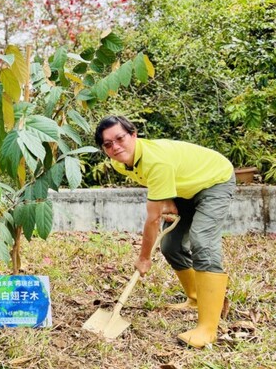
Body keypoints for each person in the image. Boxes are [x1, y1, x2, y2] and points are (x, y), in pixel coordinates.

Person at [94, 115, 235, 348]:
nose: (115, 147)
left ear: (134, 134)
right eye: (108, 144)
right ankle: (196, 298)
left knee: (202, 242)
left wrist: (144, 258)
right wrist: (168, 196)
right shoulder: (119, 162)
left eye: (120, 138)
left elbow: (153, 219)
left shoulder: (155, 160)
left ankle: (208, 327)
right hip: (186, 187)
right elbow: (155, 182)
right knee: (171, 245)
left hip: (214, 180)